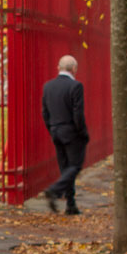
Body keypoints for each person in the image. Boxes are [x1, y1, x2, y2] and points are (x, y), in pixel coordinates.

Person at [40, 55, 89, 215]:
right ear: (74, 69)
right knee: (75, 166)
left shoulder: (48, 87)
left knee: (65, 168)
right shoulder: (76, 86)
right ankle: (54, 191)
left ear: (58, 68)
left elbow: (45, 113)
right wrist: (82, 132)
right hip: (71, 133)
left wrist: (52, 128)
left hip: (56, 131)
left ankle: (71, 204)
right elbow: (78, 114)